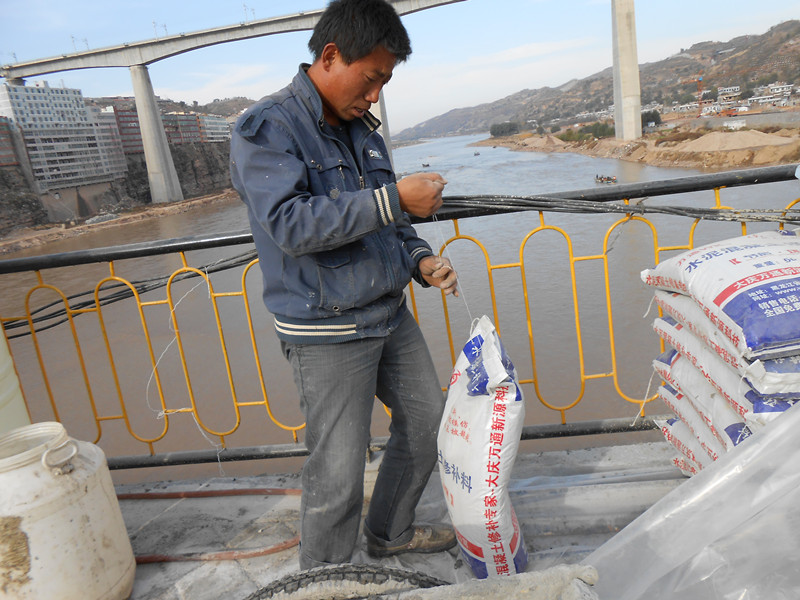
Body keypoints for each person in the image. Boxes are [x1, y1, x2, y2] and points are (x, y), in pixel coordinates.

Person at [230, 0, 459, 570]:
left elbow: (390, 224)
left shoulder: (363, 131)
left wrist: (421, 260)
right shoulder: (267, 128)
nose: (375, 95)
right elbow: (290, 224)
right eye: (371, 78)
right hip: (326, 327)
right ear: (330, 56)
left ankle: (389, 533)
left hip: (388, 313)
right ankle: (326, 578)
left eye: (385, 82)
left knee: (427, 423)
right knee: (337, 470)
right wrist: (394, 198)